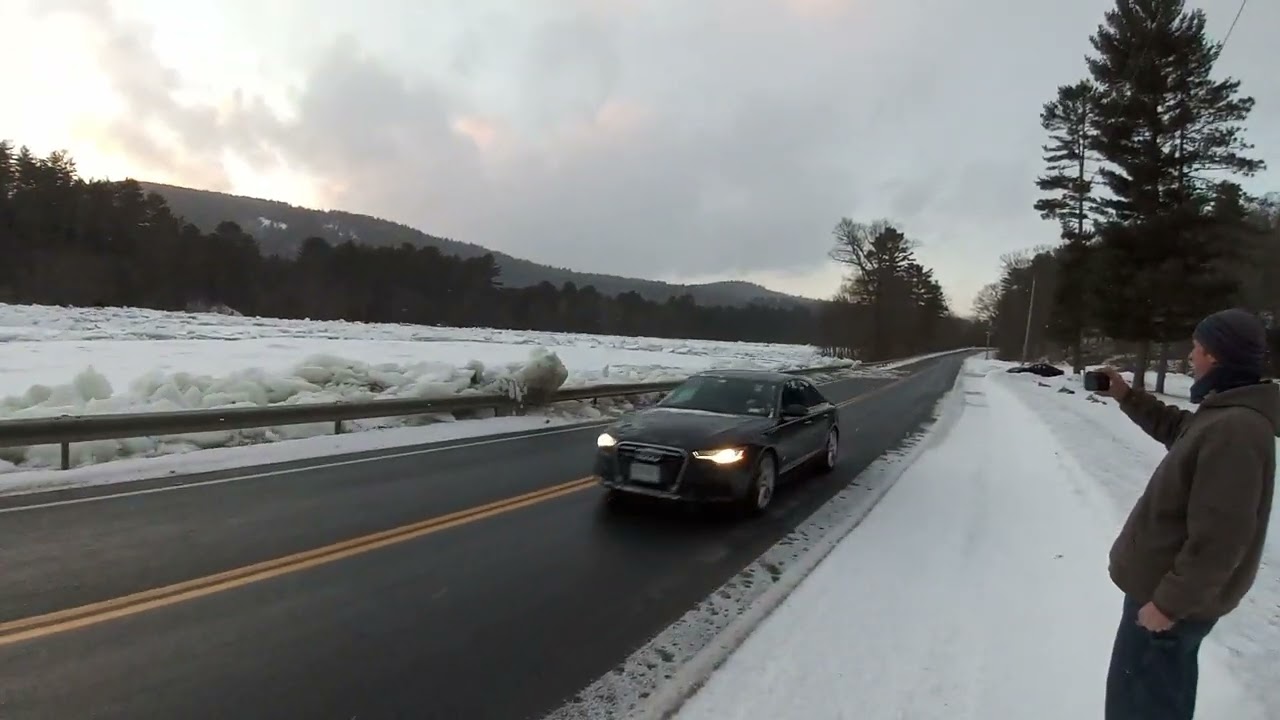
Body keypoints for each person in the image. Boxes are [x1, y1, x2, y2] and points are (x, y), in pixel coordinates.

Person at [1092, 308, 1277, 720]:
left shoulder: (1237, 430)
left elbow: (1222, 537)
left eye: (1195, 349)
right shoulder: (1224, 415)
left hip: (1168, 601)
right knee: (1150, 697)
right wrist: (1126, 395)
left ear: (1214, 356)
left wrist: (1170, 604)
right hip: (1165, 593)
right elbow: (1180, 431)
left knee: (1143, 707)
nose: (1191, 358)